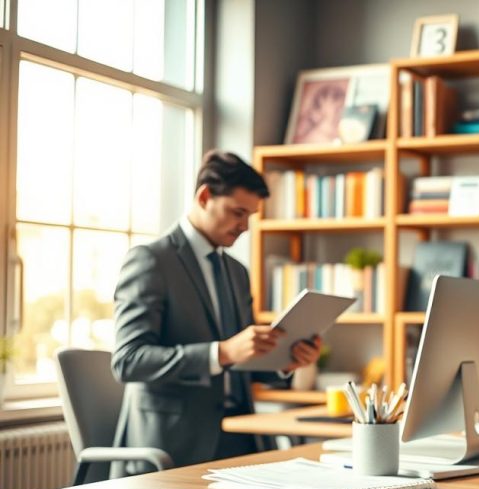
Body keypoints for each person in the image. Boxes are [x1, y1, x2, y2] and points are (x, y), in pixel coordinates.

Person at [111, 150, 321, 472]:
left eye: (250, 216)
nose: (245, 226)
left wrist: (286, 360)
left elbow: (244, 359)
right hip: (175, 444)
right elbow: (129, 361)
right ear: (205, 197)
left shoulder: (237, 272)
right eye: (238, 212)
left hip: (242, 435)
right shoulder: (152, 261)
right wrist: (221, 352)